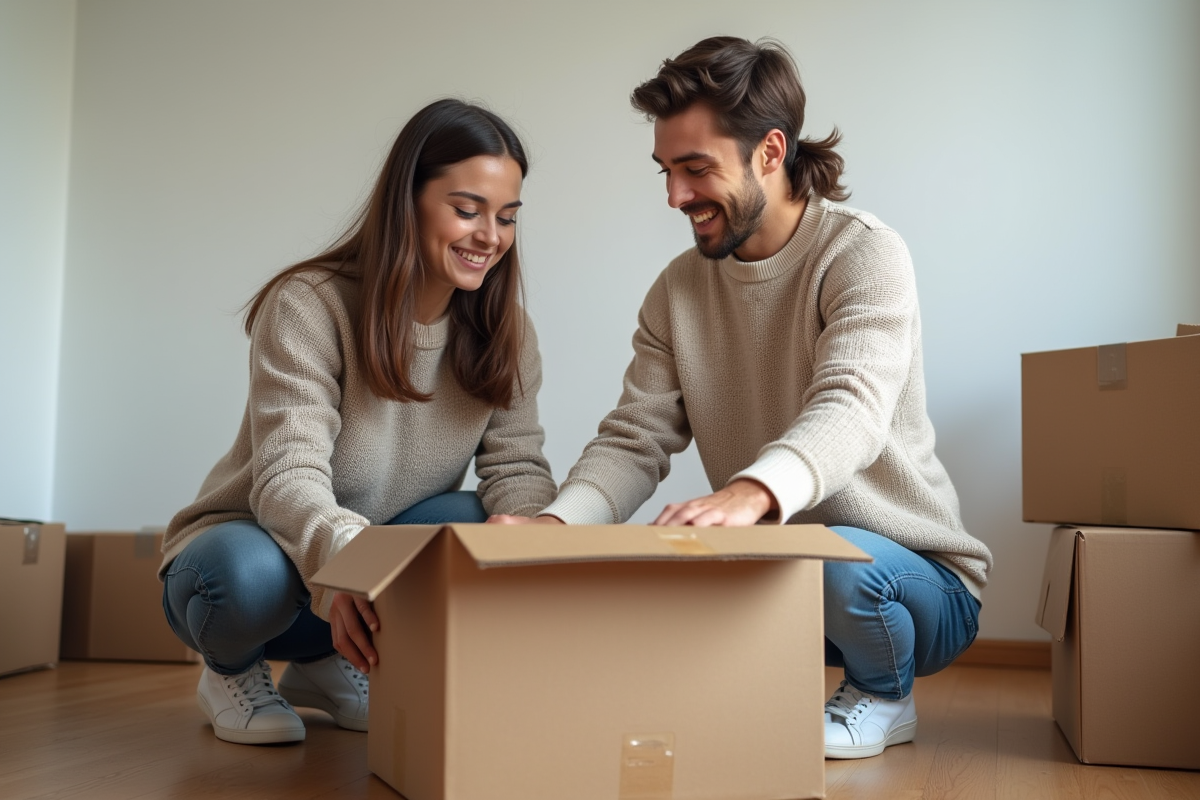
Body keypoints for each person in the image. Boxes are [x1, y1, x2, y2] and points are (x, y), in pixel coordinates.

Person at [489, 37, 992, 760]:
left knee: (829, 563)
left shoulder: (863, 254)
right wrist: (558, 525)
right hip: (779, 565)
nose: (674, 197)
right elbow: (634, 438)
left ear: (770, 151)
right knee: (654, 584)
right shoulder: (678, 290)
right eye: (666, 171)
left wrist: (755, 490)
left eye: (695, 169)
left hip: (913, 582)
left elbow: (850, 407)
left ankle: (884, 695)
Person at [161, 99, 556, 745]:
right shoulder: (311, 304)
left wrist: (535, 542)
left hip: (361, 580)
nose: (490, 236)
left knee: (486, 520)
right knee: (240, 576)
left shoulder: (504, 332)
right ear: (408, 201)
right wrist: (350, 564)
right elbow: (288, 477)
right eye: (467, 209)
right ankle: (229, 671)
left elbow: (517, 468)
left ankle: (324, 666)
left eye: (506, 217)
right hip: (262, 561)